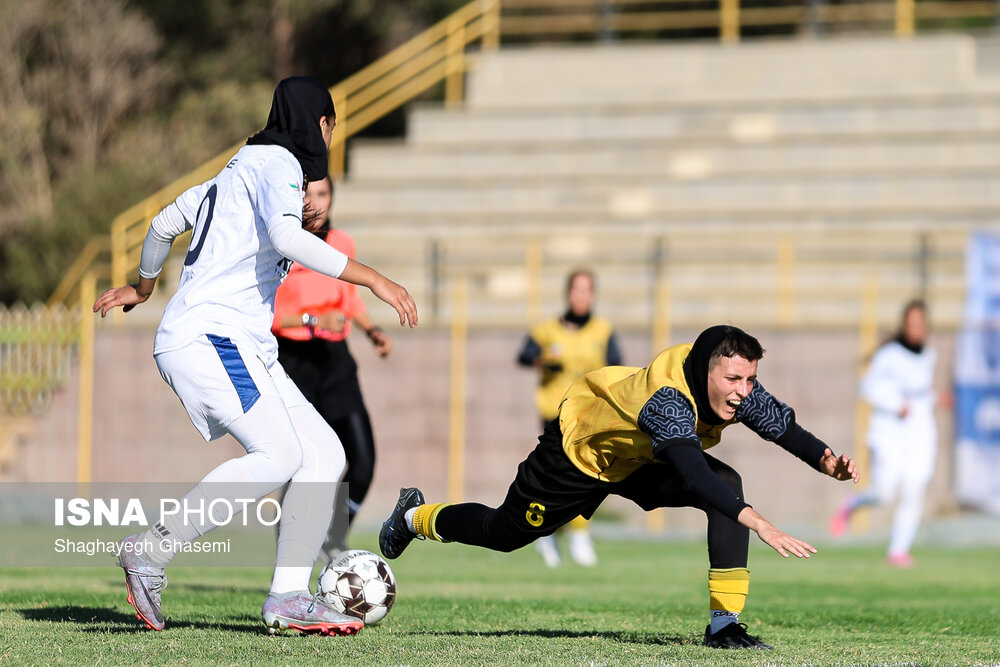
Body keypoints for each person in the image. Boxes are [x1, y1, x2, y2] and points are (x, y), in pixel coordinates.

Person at [92, 77, 417, 635]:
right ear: (320, 122)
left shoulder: (239, 168)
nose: (331, 136)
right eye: (332, 125)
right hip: (212, 337)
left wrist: (144, 289)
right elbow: (287, 240)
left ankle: (287, 597)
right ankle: (152, 549)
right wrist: (375, 281)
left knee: (324, 454)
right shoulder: (281, 163)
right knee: (278, 454)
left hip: (240, 343)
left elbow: (164, 222)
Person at [379, 325, 859, 650]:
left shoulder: (735, 389)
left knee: (726, 482)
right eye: (734, 378)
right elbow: (691, 475)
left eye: (751, 378)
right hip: (580, 455)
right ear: (704, 369)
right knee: (504, 533)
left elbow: (783, 427)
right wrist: (760, 523)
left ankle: (723, 625)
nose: (744, 390)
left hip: (637, 458)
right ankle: (413, 516)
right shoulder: (667, 400)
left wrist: (826, 461)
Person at [271, 177, 392, 559]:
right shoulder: (280, 246)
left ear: (332, 198)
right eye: (307, 193)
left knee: (364, 460)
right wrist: (312, 321)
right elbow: (271, 317)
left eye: (322, 194)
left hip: (336, 363)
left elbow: (349, 297)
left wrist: (372, 330)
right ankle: (290, 542)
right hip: (294, 364)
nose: (315, 202)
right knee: (302, 463)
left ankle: (334, 537)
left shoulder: (342, 244)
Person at [829, 299, 950, 567]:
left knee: (915, 487)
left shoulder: (929, 355)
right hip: (889, 433)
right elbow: (867, 387)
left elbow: (919, 393)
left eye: (921, 323)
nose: (916, 328)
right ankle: (853, 503)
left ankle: (898, 550)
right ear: (905, 325)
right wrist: (896, 405)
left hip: (920, 433)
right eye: (912, 323)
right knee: (885, 492)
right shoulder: (889, 355)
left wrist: (935, 398)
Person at [516, 269, 622, 567]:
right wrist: (543, 361)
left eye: (586, 290)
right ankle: (554, 533)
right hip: (555, 415)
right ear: (568, 293)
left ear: (593, 295)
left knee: (586, 475)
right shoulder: (548, 330)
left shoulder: (602, 331)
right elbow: (525, 355)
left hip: (590, 414)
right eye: (576, 289)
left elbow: (616, 367)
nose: (581, 296)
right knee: (563, 476)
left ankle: (569, 531)